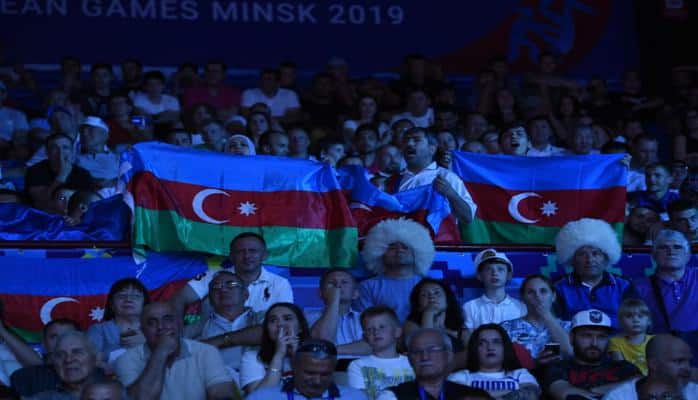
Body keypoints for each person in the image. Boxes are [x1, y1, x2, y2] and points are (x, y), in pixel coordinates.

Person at [114, 302, 237, 400]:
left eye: (167, 319)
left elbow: (222, 393)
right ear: (142, 330)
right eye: (152, 323)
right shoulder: (126, 360)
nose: (161, 327)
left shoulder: (206, 352)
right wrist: (161, 352)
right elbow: (141, 398)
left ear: (179, 324)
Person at [170, 232, 293, 323]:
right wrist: (177, 333)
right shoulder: (213, 276)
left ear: (264, 255)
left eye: (253, 251)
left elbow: (286, 321)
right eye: (240, 251)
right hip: (213, 341)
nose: (247, 256)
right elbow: (179, 299)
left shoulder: (280, 283)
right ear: (231, 256)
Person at [554, 218, 635, 328]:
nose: (590, 260)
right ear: (572, 259)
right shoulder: (558, 287)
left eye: (596, 253)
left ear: (606, 258)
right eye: (582, 254)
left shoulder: (624, 285)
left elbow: (636, 321)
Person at [541, 310, 640, 399]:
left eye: (601, 337)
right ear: (571, 338)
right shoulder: (558, 367)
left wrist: (595, 390)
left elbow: (641, 383)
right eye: (587, 336)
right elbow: (566, 393)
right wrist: (624, 388)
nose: (594, 343)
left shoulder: (624, 367)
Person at [632, 229, 698, 360]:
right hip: (664, 355)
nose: (671, 251)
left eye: (677, 247)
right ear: (653, 255)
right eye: (663, 247)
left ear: (688, 255)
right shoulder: (639, 287)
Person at [355, 218, 435, 323]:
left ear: (417, 253)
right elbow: (365, 323)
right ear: (379, 253)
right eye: (392, 247)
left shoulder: (431, 286)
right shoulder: (367, 287)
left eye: (405, 247)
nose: (399, 250)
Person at [376, 328, 491, 400]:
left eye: (432, 350)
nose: (425, 357)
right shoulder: (392, 396)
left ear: (448, 356)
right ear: (410, 359)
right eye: (417, 351)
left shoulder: (473, 396)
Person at [392, 127, 476, 225]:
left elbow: (467, 217)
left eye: (416, 140)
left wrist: (451, 193)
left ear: (432, 149)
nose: (409, 144)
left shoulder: (447, 177)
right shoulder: (393, 181)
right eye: (406, 140)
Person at [247, 339, 368, 400]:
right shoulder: (263, 397)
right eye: (310, 373)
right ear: (294, 367)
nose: (317, 381)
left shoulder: (355, 397)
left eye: (325, 374)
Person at [192, 271, 256, 386]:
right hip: (215, 385)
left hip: (260, 382)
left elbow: (267, 332)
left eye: (231, 285)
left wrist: (222, 340)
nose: (223, 290)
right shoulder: (197, 328)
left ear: (245, 294)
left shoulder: (263, 317)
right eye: (216, 287)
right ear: (210, 299)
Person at [449, 324, 540, 399]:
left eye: (496, 342)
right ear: (474, 349)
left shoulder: (520, 374)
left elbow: (530, 395)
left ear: (505, 348)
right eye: (482, 343)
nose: (490, 347)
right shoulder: (460, 377)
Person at [239, 302, 310, 394]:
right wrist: (279, 354)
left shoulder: (314, 354)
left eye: (287, 319)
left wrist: (296, 356)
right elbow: (259, 397)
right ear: (267, 329)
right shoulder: (252, 357)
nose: (280, 324)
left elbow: (314, 391)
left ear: (300, 327)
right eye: (273, 320)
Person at [501, 274, 573, 361]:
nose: (537, 296)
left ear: (553, 296)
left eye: (543, 291)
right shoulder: (507, 327)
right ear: (522, 298)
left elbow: (570, 353)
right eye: (531, 292)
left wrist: (547, 317)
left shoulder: (568, 326)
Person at [347, 307, 415, 399]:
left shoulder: (412, 362)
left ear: (397, 332)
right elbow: (359, 397)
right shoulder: (357, 366)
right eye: (370, 329)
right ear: (364, 337)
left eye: (382, 327)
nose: (376, 332)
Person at [603, 334, 697, 399]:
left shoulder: (695, 392)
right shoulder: (619, 397)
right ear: (654, 364)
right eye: (679, 361)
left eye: (688, 361)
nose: (687, 368)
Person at [403, 278, 468, 369]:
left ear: (447, 300)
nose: (431, 297)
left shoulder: (461, 329)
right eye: (424, 295)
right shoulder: (411, 325)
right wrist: (428, 314)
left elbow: (472, 355)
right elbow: (425, 349)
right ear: (418, 304)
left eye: (437, 293)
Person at [86, 278, 149, 369]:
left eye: (136, 296)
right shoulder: (98, 330)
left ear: (144, 304)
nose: (128, 299)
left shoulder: (154, 329)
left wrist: (146, 343)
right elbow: (89, 363)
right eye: (121, 296)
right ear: (111, 304)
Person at [10, 319, 79, 397]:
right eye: (54, 337)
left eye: (68, 336)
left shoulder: (89, 375)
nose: (61, 341)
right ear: (44, 343)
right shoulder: (24, 378)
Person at [306, 268, 368, 355]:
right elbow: (322, 340)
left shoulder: (365, 318)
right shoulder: (308, 317)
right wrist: (334, 300)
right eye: (331, 282)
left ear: (355, 293)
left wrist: (330, 350)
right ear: (320, 293)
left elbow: (373, 345)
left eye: (344, 282)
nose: (338, 286)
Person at [462, 249, 526, 331]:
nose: (495, 273)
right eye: (488, 269)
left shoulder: (521, 307)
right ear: (479, 276)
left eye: (500, 269)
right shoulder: (470, 308)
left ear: (509, 275)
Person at [25, 134, 93, 211]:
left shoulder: (83, 174)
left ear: (72, 151)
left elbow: (87, 203)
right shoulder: (35, 171)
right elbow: (40, 201)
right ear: (47, 152)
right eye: (54, 148)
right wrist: (62, 176)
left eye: (65, 147)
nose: (60, 152)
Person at [31, 332, 104, 400]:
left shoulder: (111, 392)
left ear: (96, 358)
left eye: (77, 352)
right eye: (60, 355)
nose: (68, 359)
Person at [75, 116, 119, 197]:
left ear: (105, 135)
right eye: (82, 131)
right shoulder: (75, 160)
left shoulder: (120, 158)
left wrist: (114, 182)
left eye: (90, 130)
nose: (84, 134)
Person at [607, 298, 654, 375]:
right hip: (629, 379)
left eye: (640, 316)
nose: (636, 320)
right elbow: (620, 368)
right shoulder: (615, 342)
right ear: (621, 322)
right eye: (629, 316)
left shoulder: (655, 340)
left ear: (648, 321)